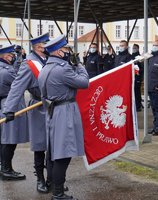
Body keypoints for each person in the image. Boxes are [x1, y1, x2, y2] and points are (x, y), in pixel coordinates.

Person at [38, 35, 89, 200]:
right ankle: (58, 193)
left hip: (53, 112)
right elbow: (84, 82)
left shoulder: (45, 68)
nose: (68, 52)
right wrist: (79, 64)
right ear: (59, 52)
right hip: (65, 111)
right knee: (63, 154)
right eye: (66, 49)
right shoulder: (63, 68)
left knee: (53, 151)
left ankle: (54, 185)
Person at [3, 33, 50, 192]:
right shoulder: (29, 63)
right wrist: (9, 109)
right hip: (38, 106)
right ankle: (40, 179)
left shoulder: (49, 60)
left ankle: (53, 179)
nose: (49, 46)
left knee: (54, 144)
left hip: (53, 106)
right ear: (38, 46)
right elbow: (17, 87)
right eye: (46, 44)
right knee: (40, 144)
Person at [0, 45, 29, 180]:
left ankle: (5, 167)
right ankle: (6, 170)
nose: (11, 55)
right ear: (2, 55)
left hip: (5, 104)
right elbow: (20, 79)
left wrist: (18, 58)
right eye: (9, 54)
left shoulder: (4, 67)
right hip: (10, 104)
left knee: (6, 139)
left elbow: (16, 72)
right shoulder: (6, 71)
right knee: (9, 140)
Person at [131, 44, 143, 112]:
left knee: (137, 92)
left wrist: (138, 72)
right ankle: (134, 105)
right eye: (133, 48)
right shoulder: (131, 56)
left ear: (138, 49)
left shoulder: (139, 57)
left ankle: (138, 106)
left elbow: (142, 68)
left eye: (135, 48)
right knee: (133, 92)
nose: (133, 49)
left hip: (137, 77)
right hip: (132, 76)